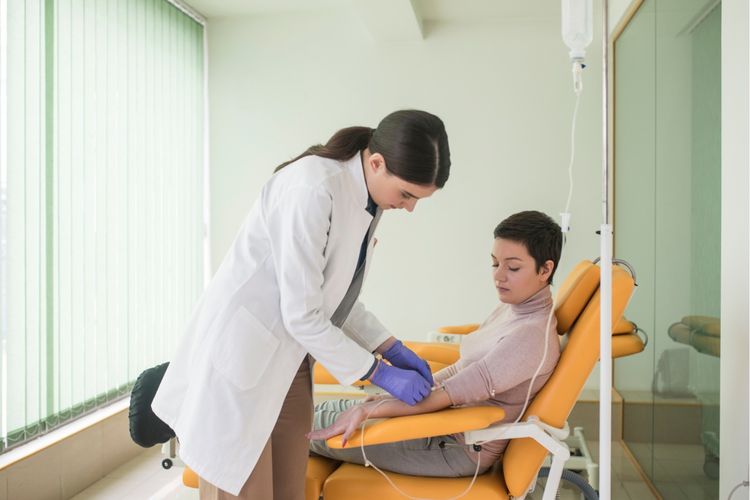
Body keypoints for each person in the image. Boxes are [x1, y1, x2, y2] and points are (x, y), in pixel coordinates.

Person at [151, 110, 451, 499]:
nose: (409, 208)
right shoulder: (312, 187)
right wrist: (377, 371)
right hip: (243, 356)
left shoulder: (367, 200)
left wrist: (389, 346)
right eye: (407, 195)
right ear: (376, 163)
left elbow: (333, 297)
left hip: (291, 360)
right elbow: (303, 314)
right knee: (244, 488)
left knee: (289, 488)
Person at [308, 210, 563, 478]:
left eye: (513, 268)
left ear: (545, 269)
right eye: (494, 263)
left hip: (452, 446)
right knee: (319, 411)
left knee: (300, 428)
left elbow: (450, 393)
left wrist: (368, 409)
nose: (498, 276)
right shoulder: (512, 308)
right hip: (438, 424)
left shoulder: (531, 335)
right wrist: (386, 399)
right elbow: (459, 371)